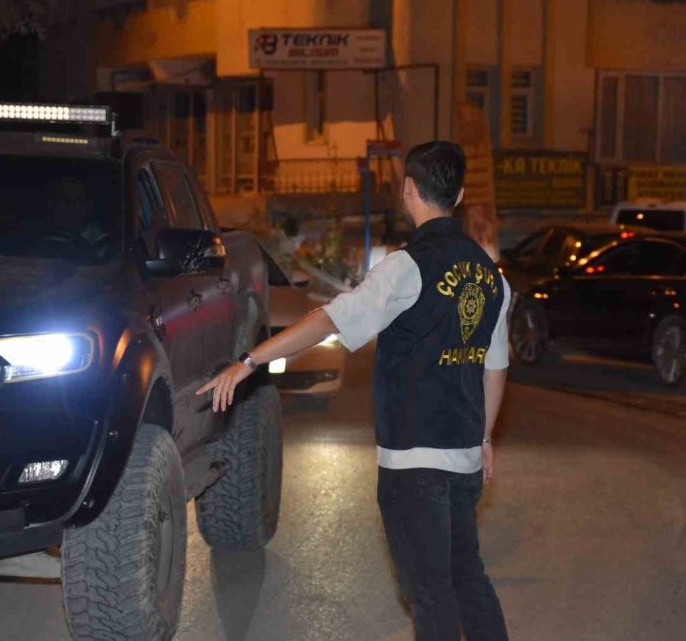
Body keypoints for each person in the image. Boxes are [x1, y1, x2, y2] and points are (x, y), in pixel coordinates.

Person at [199, 141, 510, 641]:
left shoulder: (406, 268)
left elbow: (327, 319)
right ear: (461, 193)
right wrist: (486, 438)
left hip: (413, 462)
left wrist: (249, 360)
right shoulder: (493, 278)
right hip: (465, 458)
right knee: (468, 579)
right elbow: (494, 368)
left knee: (430, 594)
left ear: (408, 190)